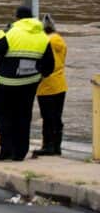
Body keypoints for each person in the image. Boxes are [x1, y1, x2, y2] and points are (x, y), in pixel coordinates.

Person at [0, 6, 55, 162]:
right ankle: (20, 153)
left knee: (2, 115)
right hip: (29, 85)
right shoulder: (42, 36)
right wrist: (38, 76)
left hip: (6, 83)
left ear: (17, 18)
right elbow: (49, 66)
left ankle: (6, 151)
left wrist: (1, 33)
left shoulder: (11, 32)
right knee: (23, 117)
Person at [33, 14, 68, 158]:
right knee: (57, 117)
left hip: (46, 84)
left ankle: (47, 146)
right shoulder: (61, 42)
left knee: (47, 117)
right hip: (60, 84)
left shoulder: (44, 42)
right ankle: (57, 147)